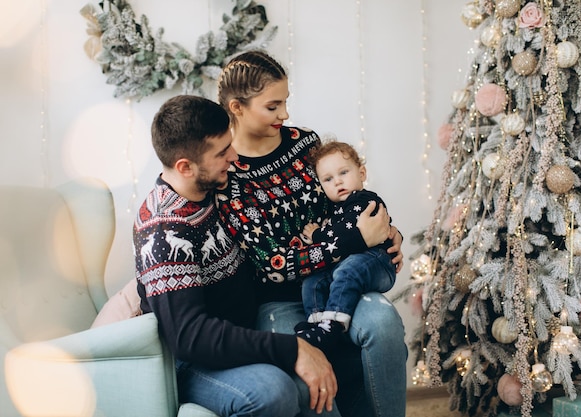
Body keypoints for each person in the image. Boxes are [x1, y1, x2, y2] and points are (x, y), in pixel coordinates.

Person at [216, 50, 407, 417]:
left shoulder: (305, 143)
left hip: (338, 281)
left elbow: (341, 205)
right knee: (307, 376)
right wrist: (356, 240)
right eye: (272, 106)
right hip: (279, 300)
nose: (284, 114)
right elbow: (272, 265)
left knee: (382, 322)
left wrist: (385, 230)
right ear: (237, 107)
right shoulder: (228, 173)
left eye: (285, 102)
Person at [133, 94, 340, 417]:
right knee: (273, 391)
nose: (234, 156)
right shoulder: (163, 230)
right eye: (222, 153)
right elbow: (189, 337)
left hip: (244, 329)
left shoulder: (214, 189)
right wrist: (292, 348)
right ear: (185, 167)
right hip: (193, 361)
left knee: (317, 374)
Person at [293, 140, 397, 353]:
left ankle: (333, 325)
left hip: (378, 262)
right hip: (349, 265)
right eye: (328, 179)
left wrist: (317, 234)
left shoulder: (364, 201)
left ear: (362, 173)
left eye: (343, 173)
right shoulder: (335, 210)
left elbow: (345, 234)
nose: (338, 182)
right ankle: (316, 323)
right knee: (313, 280)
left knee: (348, 269)